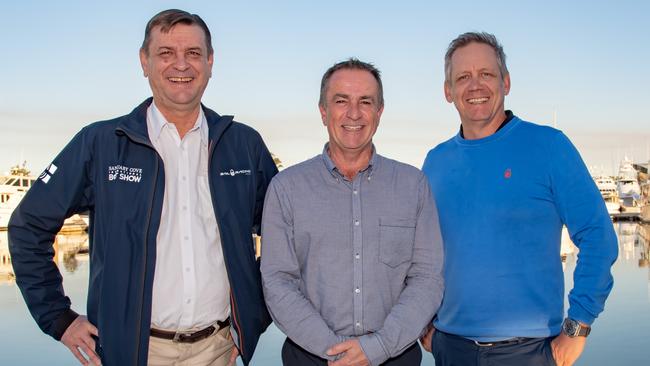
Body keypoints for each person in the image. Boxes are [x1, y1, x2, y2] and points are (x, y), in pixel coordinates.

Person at [8, 9, 277, 366]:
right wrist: (59, 319)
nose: (181, 65)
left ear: (210, 62)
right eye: (166, 53)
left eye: (193, 54)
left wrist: (252, 316)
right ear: (144, 62)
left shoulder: (243, 145)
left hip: (219, 349)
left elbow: (284, 240)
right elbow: (28, 227)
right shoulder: (100, 143)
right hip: (135, 352)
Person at [420, 32, 618, 366]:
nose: (475, 85)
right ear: (448, 91)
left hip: (530, 352)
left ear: (506, 82)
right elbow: (421, 253)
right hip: (451, 349)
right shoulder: (435, 162)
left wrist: (577, 327)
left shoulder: (549, 147)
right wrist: (424, 322)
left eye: (486, 74)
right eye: (463, 77)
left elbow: (598, 239)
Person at [261, 58, 444, 366]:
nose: (354, 113)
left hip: (395, 356)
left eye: (366, 102)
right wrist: (335, 350)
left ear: (379, 112)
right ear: (323, 111)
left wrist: (377, 347)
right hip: (310, 357)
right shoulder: (285, 189)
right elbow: (278, 280)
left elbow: (427, 278)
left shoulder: (414, 186)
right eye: (341, 101)